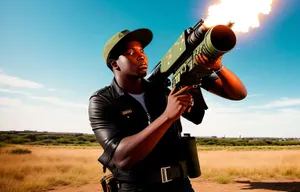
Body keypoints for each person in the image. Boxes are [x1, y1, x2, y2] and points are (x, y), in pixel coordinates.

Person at [88, 28, 247, 192]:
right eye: (130, 53)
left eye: (142, 51)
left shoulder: (163, 89)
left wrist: (217, 67)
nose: (141, 55)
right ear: (115, 64)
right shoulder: (103, 100)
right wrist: (167, 116)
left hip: (180, 185)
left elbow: (238, 93)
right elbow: (121, 159)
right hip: (135, 187)